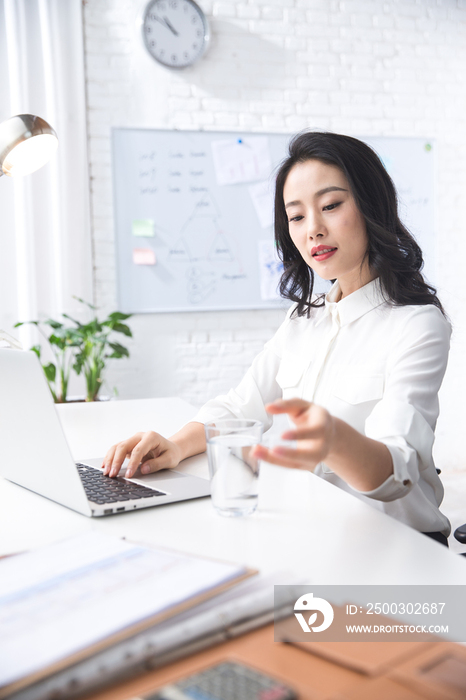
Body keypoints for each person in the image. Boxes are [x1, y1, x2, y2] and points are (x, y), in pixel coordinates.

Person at [103, 131, 451, 543]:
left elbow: (398, 471)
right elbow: (240, 405)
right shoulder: (304, 318)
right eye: (297, 216)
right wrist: (175, 446)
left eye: (331, 206)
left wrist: (334, 439)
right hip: (315, 532)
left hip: (397, 545)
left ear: (371, 205)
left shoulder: (418, 324)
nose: (313, 230)